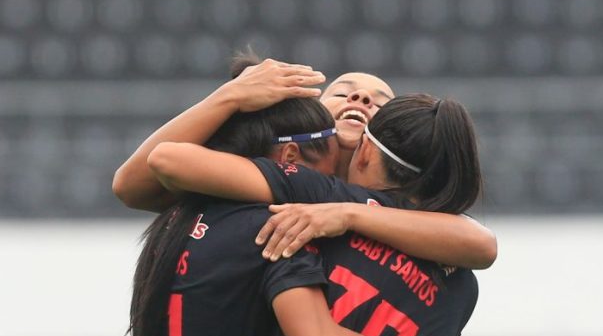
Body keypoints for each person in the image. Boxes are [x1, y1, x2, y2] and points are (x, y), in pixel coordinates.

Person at [146, 93, 484, 336]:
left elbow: (163, 164)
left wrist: (232, 96)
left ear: (364, 151)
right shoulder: (463, 284)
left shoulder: (315, 207)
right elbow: (484, 246)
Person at [113, 53, 496, 269]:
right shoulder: (268, 173)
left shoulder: (402, 210)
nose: (360, 99)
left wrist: (346, 214)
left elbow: (481, 245)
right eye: (342, 92)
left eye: (377, 100)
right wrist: (228, 97)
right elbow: (132, 185)